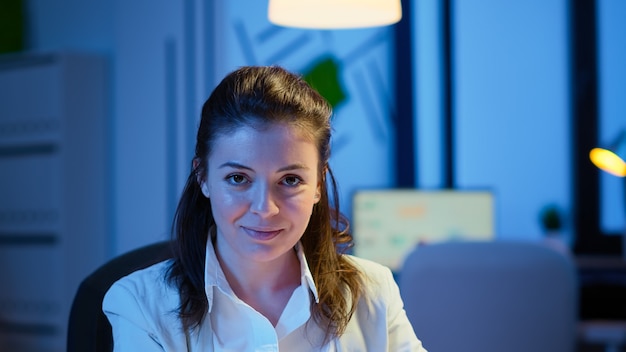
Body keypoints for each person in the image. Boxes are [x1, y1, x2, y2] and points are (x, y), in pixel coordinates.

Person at [103, 65, 427, 351]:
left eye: (289, 180)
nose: (264, 208)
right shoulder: (139, 304)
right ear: (203, 177)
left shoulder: (372, 291)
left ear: (318, 184)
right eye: (238, 178)